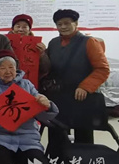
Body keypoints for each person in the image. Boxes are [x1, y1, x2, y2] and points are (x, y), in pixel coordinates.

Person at [45, 9, 110, 148]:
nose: (63, 27)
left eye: (67, 23)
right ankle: (58, 158)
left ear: (76, 23)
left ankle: (82, 160)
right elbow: (48, 67)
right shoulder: (53, 43)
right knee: (57, 130)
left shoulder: (89, 42)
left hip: (81, 95)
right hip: (58, 95)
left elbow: (102, 69)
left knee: (83, 133)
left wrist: (85, 87)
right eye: (59, 24)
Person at [8, 14, 51, 79]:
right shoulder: (4, 42)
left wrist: (42, 54)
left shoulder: (38, 45)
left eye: (24, 27)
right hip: (8, 79)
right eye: (18, 26)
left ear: (29, 30)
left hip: (29, 80)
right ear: (12, 28)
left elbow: (45, 69)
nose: (20, 29)